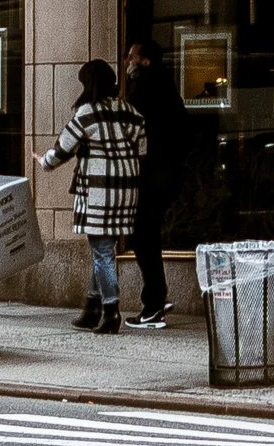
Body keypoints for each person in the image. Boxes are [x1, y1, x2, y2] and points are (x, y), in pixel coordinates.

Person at [40, 57, 146, 332]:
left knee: (102, 252)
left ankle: (111, 311)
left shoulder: (86, 112)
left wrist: (43, 161)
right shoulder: (129, 111)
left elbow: (63, 149)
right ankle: (92, 307)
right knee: (104, 250)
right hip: (126, 188)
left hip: (98, 189)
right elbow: (143, 148)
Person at [123, 32, 187, 332]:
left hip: (151, 174)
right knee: (148, 235)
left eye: (132, 57)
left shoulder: (142, 89)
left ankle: (153, 305)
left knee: (141, 236)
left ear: (144, 61)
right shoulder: (167, 85)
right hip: (169, 172)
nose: (128, 63)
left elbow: (131, 131)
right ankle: (156, 298)